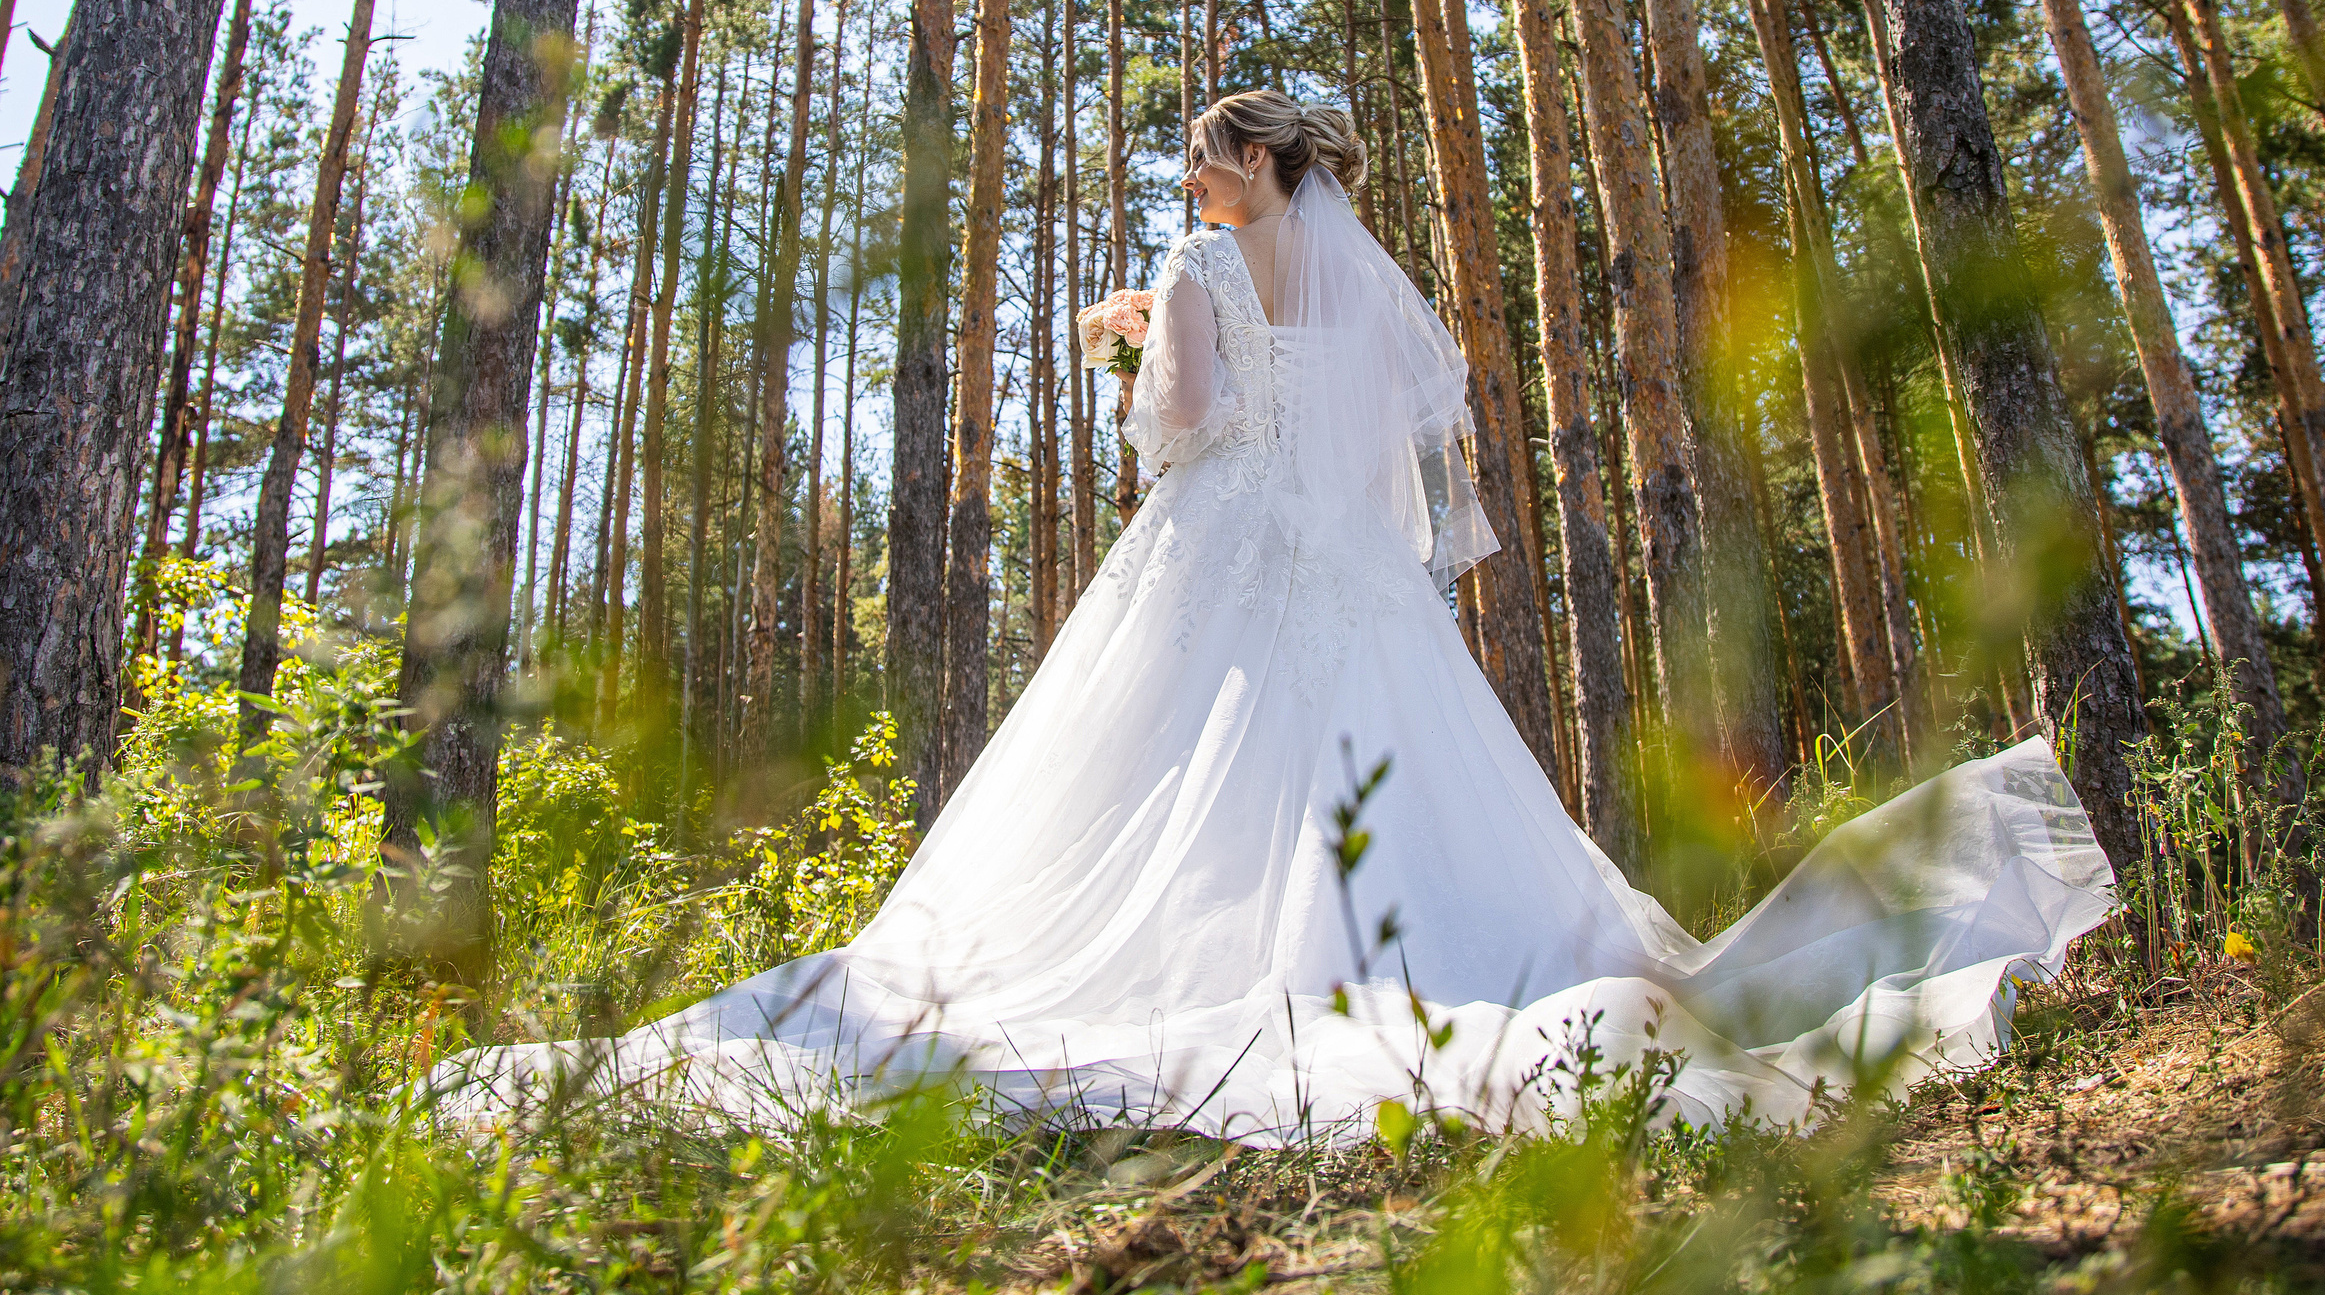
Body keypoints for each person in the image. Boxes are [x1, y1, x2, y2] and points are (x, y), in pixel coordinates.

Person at [442, 89, 2112, 1144]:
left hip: (1223, 546)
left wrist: (1124, 376)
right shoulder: (1370, 285)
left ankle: (1231, 982)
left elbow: (1180, 418)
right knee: (1362, 776)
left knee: (1179, 775)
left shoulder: (1203, 255)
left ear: (1250, 164)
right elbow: (1396, 446)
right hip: (1356, 575)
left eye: (1203, 152)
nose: (1191, 170)